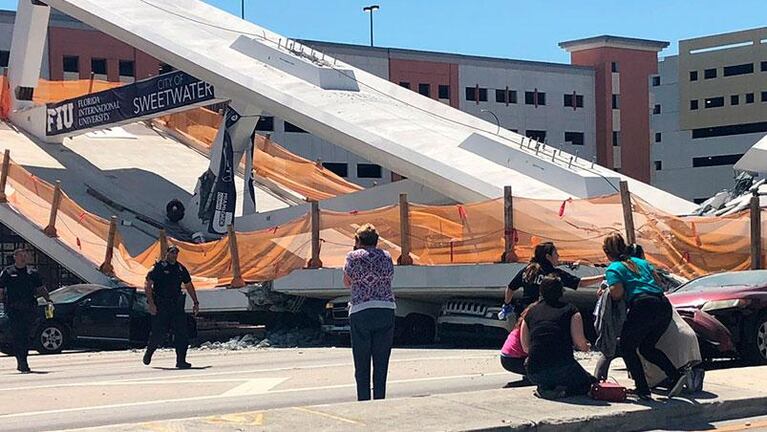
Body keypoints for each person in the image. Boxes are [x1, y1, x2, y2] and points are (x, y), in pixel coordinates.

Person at [602, 233, 688, 399]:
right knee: (647, 347)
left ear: (607, 253)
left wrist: (606, 291)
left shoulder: (613, 268)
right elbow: (659, 284)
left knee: (627, 347)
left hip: (642, 307)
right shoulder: (642, 262)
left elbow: (617, 294)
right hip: (663, 305)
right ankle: (675, 375)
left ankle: (642, 389)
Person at [520, 275, 596, 399]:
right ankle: (562, 393)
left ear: (541, 292)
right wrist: (586, 347)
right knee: (587, 383)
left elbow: (525, 347)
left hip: (534, 371)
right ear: (561, 291)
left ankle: (546, 388)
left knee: (551, 375)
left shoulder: (530, 312)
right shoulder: (571, 310)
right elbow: (579, 343)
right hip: (562, 366)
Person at [343, 224, 395, 401]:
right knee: (381, 362)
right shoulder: (387, 256)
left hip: (361, 310)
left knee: (362, 361)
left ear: (357, 241)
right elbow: (389, 277)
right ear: (377, 241)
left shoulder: (352, 257)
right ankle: (380, 398)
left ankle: (363, 399)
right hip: (385, 309)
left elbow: (347, 282)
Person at [503, 242, 604, 314]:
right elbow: (579, 283)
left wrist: (507, 304)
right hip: (543, 313)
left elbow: (510, 288)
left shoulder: (528, 270)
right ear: (548, 256)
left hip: (526, 313)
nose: (558, 256)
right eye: (556, 253)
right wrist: (603, 277)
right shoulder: (554, 274)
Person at [143, 245, 199, 369]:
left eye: (176, 253)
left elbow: (189, 285)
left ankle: (181, 361)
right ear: (167, 253)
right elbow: (148, 285)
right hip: (161, 305)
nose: (174, 255)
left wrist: (195, 302)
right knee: (158, 333)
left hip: (176, 306)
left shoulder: (180, 269)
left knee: (182, 334)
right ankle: (149, 352)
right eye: (172, 252)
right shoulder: (158, 267)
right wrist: (151, 304)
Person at [0, 248, 51, 373]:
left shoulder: (32, 273)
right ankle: (22, 362)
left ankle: (23, 358)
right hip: (14, 309)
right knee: (18, 335)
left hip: (29, 309)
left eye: (25, 255)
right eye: (21, 255)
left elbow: (41, 288)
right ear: (15, 257)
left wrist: (48, 299)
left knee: (27, 335)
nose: (23, 257)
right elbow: (0, 290)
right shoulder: (8, 272)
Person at [500, 304, 533, 387]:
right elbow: (526, 349)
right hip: (512, 359)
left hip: (509, 356)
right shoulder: (526, 325)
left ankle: (528, 376)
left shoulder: (521, 324)